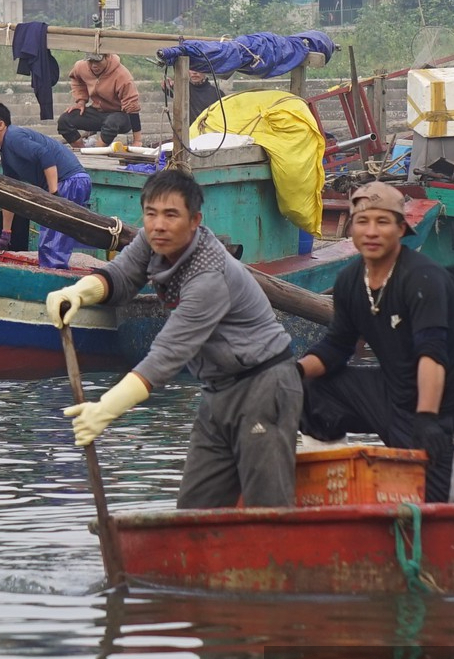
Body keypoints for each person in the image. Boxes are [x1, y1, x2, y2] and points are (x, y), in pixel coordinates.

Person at [46, 167, 300, 508]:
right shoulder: (152, 241)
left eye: (171, 215)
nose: (159, 225)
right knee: (194, 509)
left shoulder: (209, 275)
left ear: (195, 220)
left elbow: (167, 355)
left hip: (265, 384)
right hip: (217, 388)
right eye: (151, 214)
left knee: (267, 508)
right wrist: (78, 291)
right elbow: (122, 276)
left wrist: (105, 409)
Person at [298, 181, 454, 502]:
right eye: (363, 221)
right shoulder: (349, 281)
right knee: (312, 390)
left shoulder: (422, 277)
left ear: (401, 229)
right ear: (351, 229)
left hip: (444, 405)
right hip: (393, 394)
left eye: (382, 222)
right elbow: (337, 347)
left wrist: (426, 419)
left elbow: (432, 354)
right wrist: (293, 372)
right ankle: (330, 485)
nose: (371, 231)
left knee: (434, 504)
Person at [0, 101, 90, 268]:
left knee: (52, 243)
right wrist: (6, 233)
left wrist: (54, 194)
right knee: (53, 239)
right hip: (69, 182)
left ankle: (51, 280)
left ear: (0, 125)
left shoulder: (14, 137)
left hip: (70, 181)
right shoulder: (7, 152)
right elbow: (10, 192)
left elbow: (45, 155)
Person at [56, 51, 142, 148]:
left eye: (97, 62)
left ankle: (97, 150)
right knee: (65, 120)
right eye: (91, 61)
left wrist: (137, 140)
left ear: (107, 57)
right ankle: (81, 149)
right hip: (97, 112)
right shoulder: (81, 67)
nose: (94, 65)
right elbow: (76, 79)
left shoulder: (122, 75)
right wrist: (81, 101)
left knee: (111, 122)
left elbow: (132, 106)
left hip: (121, 116)